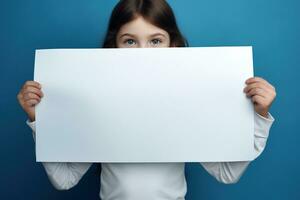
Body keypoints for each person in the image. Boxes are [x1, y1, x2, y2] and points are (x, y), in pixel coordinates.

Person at [17, 0, 276, 199]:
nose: (143, 54)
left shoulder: (187, 107)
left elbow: (227, 173)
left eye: (155, 41)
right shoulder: (96, 107)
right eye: (130, 41)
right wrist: (39, 119)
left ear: (173, 47)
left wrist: (259, 116)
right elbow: (64, 179)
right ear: (113, 49)